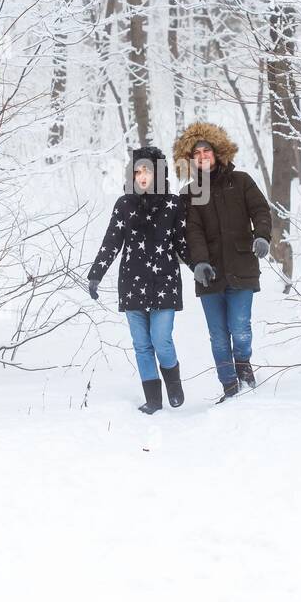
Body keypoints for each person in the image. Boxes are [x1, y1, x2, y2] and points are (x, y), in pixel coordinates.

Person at [172, 122, 272, 402]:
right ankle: (229, 385)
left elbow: (260, 210)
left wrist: (262, 237)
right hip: (209, 273)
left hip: (242, 266)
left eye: (207, 151)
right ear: (190, 160)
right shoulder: (189, 194)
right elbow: (191, 231)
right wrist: (199, 263)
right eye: (196, 154)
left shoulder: (241, 181)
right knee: (218, 335)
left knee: (240, 328)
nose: (202, 156)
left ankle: (243, 366)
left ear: (217, 152)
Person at [87, 147, 189, 413]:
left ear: (158, 173)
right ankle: (153, 400)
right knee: (142, 345)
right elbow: (111, 242)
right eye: (138, 171)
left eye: (147, 170)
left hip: (165, 282)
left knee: (161, 340)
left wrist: (201, 265)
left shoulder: (173, 204)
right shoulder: (124, 204)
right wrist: (96, 274)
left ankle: (174, 383)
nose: (142, 176)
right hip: (132, 284)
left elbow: (184, 244)